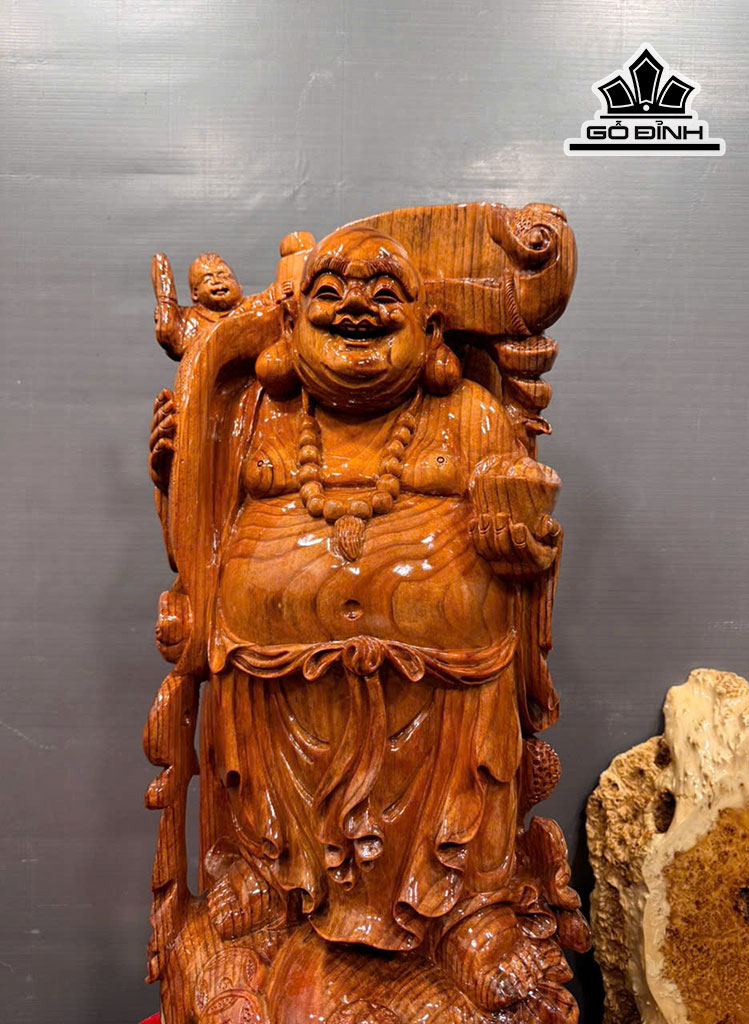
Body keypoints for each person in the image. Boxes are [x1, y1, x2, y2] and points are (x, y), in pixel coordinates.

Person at [191, 226, 579, 1016]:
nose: (357, 307)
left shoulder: (469, 414)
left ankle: (470, 918)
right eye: (330, 293)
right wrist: (177, 458)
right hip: (274, 690)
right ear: (289, 322)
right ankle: (264, 881)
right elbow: (196, 538)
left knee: (472, 780)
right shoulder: (259, 413)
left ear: (432, 328)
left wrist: (518, 515)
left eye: (385, 294)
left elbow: (527, 516)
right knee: (258, 785)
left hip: (446, 695)